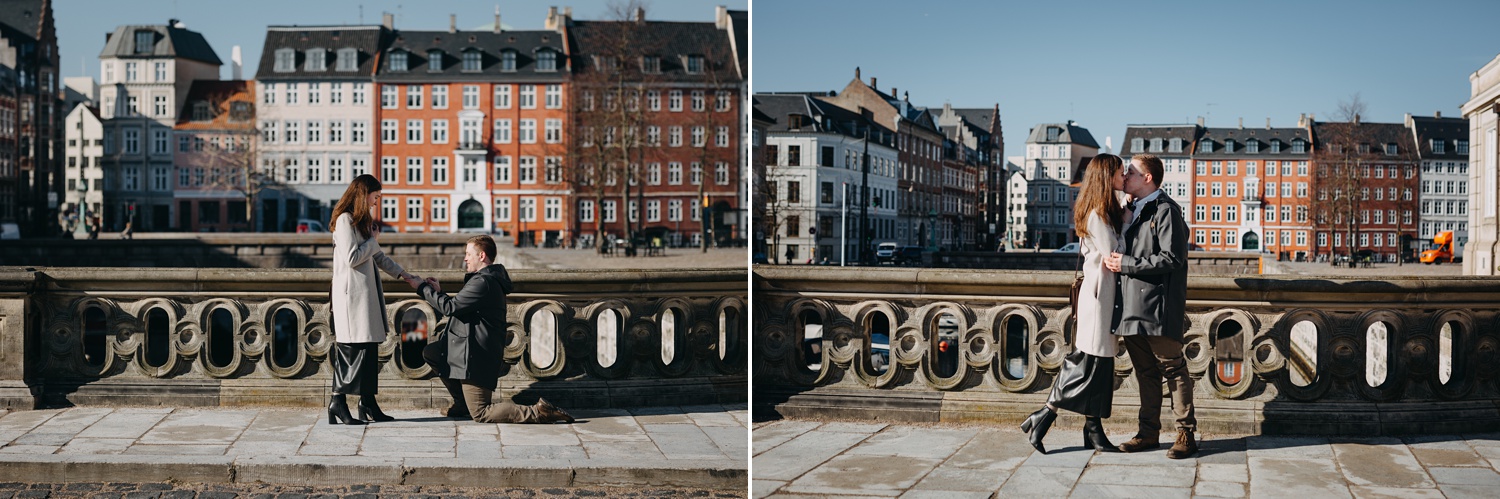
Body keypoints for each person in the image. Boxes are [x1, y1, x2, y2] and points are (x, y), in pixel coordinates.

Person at [1019, 154, 1128, 454]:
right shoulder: (1098, 214)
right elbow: (1114, 254)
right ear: (1108, 177)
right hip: (1098, 297)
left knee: (1099, 366)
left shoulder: (1103, 210)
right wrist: (1128, 222)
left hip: (1101, 296)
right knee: (1087, 364)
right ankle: (1044, 415)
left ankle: (1092, 430)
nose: (1124, 176)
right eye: (1120, 172)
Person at [411, 235, 574, 424]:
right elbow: (461, 306)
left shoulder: (483, 282)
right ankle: (462, 403)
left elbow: (450, 308)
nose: (465, 258)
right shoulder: (484, 279)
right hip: (470, 348)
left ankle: (539, 412)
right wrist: (439, 293)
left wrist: (422, 288)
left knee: (481, 413)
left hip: (475, 355)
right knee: (433, 352)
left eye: (468, 254)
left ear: (481, 255)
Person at [1103, 153, 1197, 459]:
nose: (1125, 176)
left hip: (1156, 306)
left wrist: (1126, 263)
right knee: (1145, 371)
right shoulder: (1132, 210)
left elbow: (1173, 258)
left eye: (1130, 172)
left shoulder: (1166, 209)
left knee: (1173, 368)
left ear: (1147, 178)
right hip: (1129, 307)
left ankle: (1185, 432)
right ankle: (1148, 433)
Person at [328, 174, 419, 425]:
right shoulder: (345, 220)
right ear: (363, 193)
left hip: (364, 297)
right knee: (351, 350)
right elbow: (351, 257)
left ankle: (367, 403)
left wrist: (404, 274)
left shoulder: (361, 221)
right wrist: (373, 240)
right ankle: (337, 402)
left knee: (368, 350)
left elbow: (377, 257)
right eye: (375, 196)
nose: (377, 202)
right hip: (351, 298)